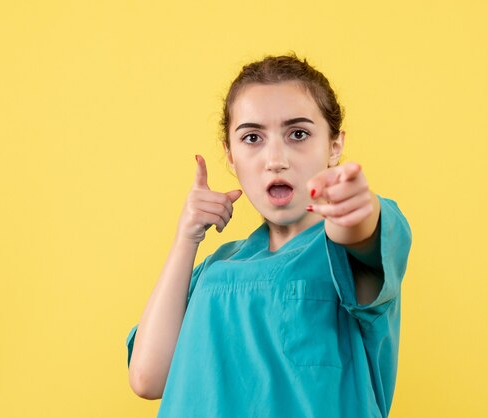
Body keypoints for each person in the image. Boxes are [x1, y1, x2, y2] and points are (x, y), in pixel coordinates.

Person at [125, 53, 412, 418]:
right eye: (252, 137)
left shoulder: (343, 252)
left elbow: (359, 230)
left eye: (298, 134)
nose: (275, 158)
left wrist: (355, 204)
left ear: (334, 146)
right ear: (230, 156)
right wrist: (186, 238)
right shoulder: (217, 266)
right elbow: (148, 379)